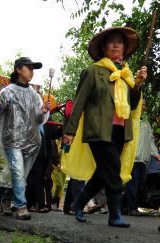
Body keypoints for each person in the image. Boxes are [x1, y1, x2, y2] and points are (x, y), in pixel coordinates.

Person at [62, 26, 148, 227]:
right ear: (104, 47)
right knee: (113, 171)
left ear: (125, 48)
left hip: (119, 131)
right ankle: (114, 215)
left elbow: (133, 104)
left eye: (120, 42)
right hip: (98, 130)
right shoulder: (93, 71)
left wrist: (138, 83)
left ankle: (78, 203)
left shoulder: (125, 74)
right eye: (112, 42)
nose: (116, 45)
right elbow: (79, 102)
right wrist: (70, 132)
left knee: (103, 173)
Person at [0, 57, 50, 220]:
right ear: (18, 69)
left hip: (31, 141)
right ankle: (20, 206)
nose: (32, 71)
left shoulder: (34, 95)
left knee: (20, 174)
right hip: (11, 141)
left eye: (34, 69)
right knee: (18, 172)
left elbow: (38, 120)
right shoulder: (7, 92)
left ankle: (6, 199)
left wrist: (44, 111)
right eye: (29, 67)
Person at [123, 100, 159, 215]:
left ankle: (125, 207)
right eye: (142, 105)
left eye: (145, 105)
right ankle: (131, 208)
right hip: (133, 159)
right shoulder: (129, 121)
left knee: (139, 185)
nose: (144, 107)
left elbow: (151, 142)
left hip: (144, 160)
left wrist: (157, 154)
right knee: (132, 184)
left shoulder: (146, 124)